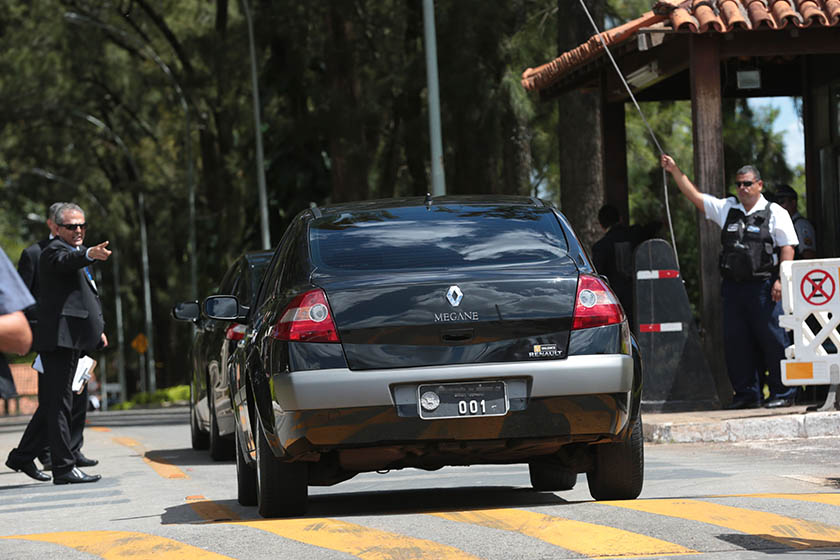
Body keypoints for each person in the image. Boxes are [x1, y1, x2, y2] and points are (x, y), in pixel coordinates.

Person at [661, 155, 799, 409]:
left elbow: (787, 247)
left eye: (748, 183)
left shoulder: (775, 212)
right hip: (734, 289)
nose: (742, 188)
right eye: (739, 184)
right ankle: (747, 394)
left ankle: (784, 392)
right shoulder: (728, 209)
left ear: (759, 185)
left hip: (765, 287)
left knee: (774, 340)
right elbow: (695, 197)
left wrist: (782, 279)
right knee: (737, 342)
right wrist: (674, 170)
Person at [6, 202, 111, 484]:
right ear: (57, 228)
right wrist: (89, 254)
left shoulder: (73, 251)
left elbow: (85, 296)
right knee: (59, 404)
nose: (78, 230)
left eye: (82, 226)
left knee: (57, 403)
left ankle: (23, 456)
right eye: (71, 226)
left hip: (74, 340)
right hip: (58, 340)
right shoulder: (53, 251)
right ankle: (64, 467)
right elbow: (67, 262)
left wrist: (97, 329)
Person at [591, 204, 660, 328]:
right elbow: (653, 227)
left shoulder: (600, 247)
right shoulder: (636, 233)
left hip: (618, 302)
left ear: (601, 225)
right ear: (620, 219)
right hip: (643, 296)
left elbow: (599, 277)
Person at [772, 184, 816, 260]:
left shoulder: (801, 225)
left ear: (793, 203)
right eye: (777, 203)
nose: (779, 206)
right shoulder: (784, 223)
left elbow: (808, 255)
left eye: (782, 202)